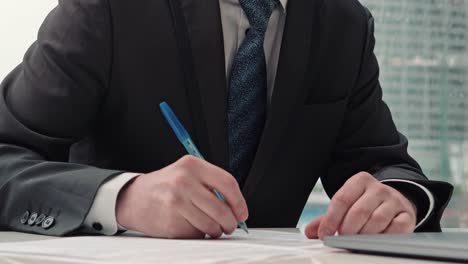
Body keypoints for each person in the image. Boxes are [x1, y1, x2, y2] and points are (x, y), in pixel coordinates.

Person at [0, 0, 453, 239]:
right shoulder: (109, 9)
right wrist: (123, 198)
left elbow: (385, 166)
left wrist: (399, 200)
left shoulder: (344, 23)